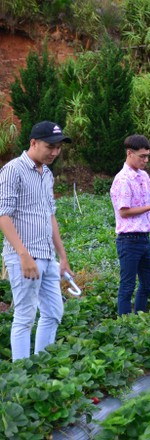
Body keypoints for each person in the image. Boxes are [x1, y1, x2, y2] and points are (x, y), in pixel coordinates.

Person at [0, 121, 73, 361]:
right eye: (49, 146)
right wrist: (23, 255)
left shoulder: (47, 174)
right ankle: (21, 372)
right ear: (33, 143)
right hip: (23, 256)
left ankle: (41, 364)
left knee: (53, 312)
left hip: (47, 255)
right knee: (25, 316)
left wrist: (62, 257)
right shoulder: (14, 170)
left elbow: (50, 215)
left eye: (58, 147)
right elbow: (3, 215)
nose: (54, 152)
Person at [111, 134, 150, 315]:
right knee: (127, 285)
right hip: (128, 239)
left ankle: (139, 317)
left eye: (147, 156)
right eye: (142, 156)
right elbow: (124, 211)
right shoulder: (123, 179)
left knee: (148, 283)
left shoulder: (143, 176)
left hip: (144, 238)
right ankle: (125, 324)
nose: (146, 160)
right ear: (129, 153)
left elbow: (149, 197)